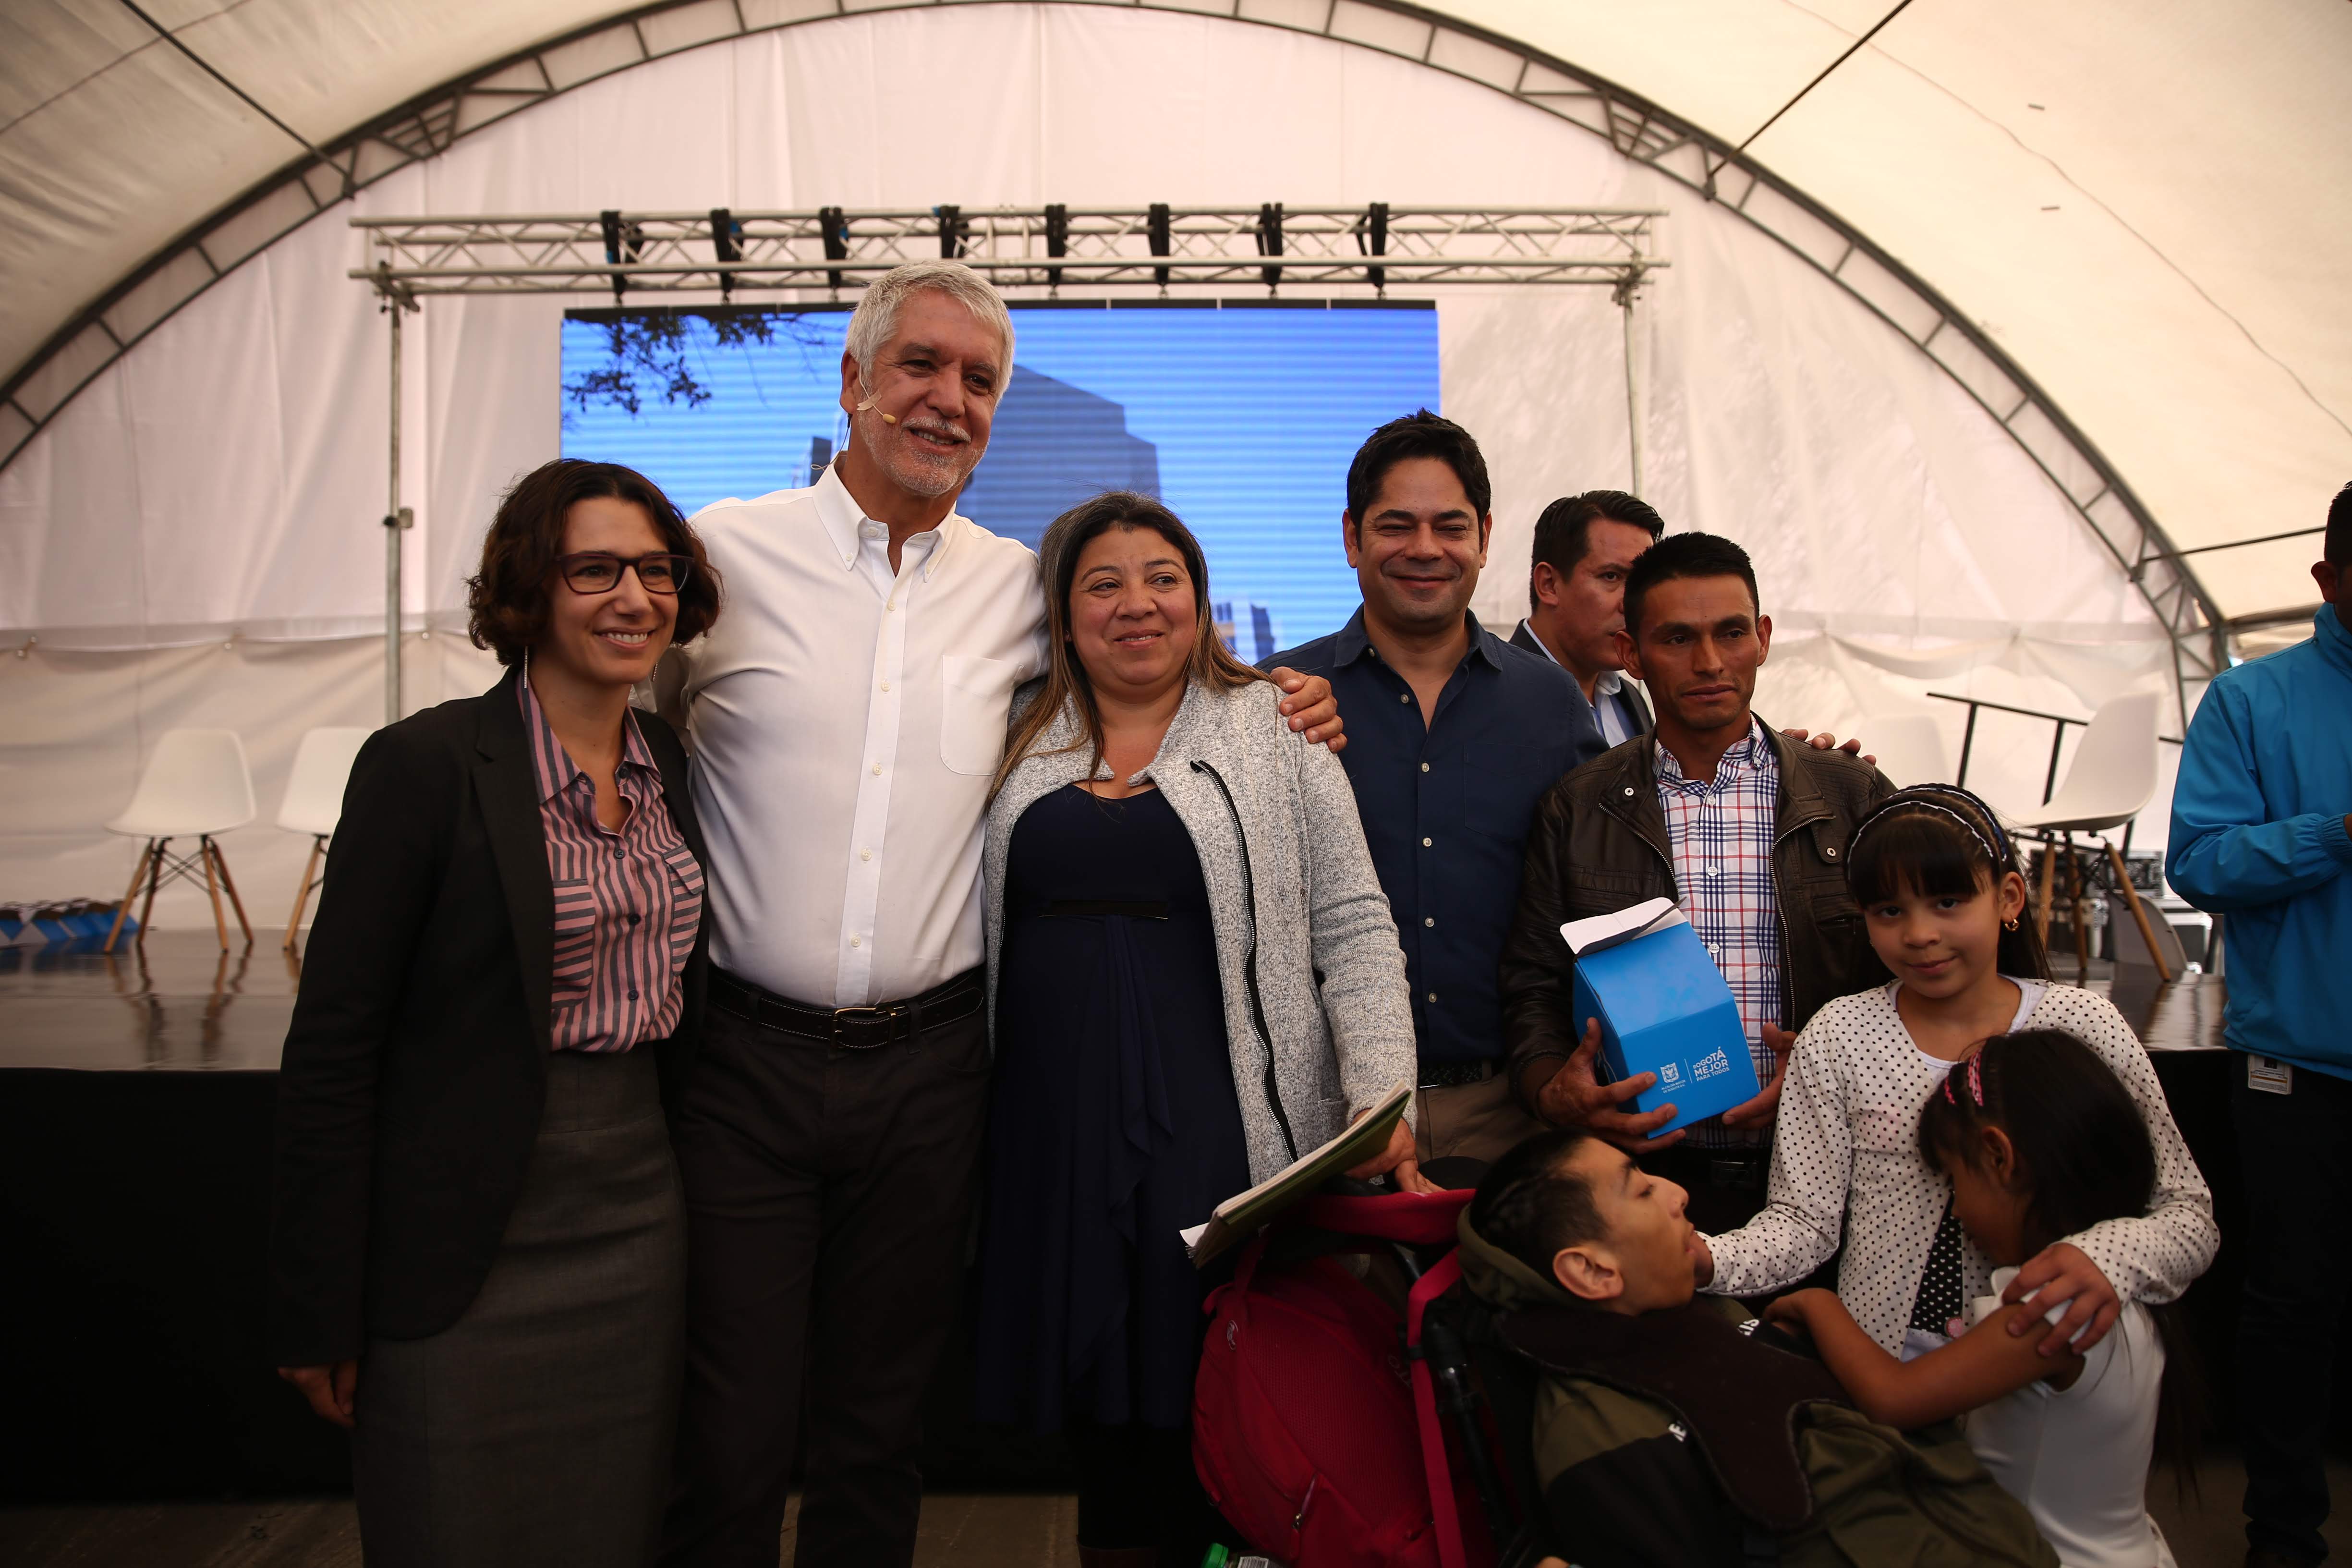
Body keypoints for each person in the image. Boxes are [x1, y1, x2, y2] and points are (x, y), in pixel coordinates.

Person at [654, 260, 1343, 1568]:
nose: (946, 399)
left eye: (978, 382)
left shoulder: (1028, 592)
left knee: (874, 1430)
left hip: (930, 1074)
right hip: (741, 1061)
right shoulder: (720, 556)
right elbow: (613, 720)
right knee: (729, 1428)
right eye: (918, 366)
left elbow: (1159, 674)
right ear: (853, 382)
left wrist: (1284, 699)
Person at [269, 459, 721, 1567]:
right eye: (595, 569)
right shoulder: (424, 766)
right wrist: (318, 1305)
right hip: (460, 1230)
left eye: (656, 570)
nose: (634, 597)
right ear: (529, 588)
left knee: (610, 1528)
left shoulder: (668, 759)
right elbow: (332, 1050)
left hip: (636, 1218)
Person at [974, 492, 1418, 1567]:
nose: (1138, 604)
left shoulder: (1278, 725)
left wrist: (1384, 1094)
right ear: (1064, 613)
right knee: (1099, 1425)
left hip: (1217, 1137)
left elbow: (1355, 924)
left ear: (1201, 598)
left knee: (1213, 1407)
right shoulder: (1014, 731)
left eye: (1162, 578)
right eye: (1104, 583)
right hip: (1052, 1140)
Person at [1698, 785, 2215, 1362]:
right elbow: (1802, 1222)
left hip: (2056, 1368)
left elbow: (2186, 1214)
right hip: (1881, 1373)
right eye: (1889, 911)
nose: (1918, 934)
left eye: (1947, 902)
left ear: (2009, 897)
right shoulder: (1840, 1034)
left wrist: (2105, 1257)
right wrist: (1706, 1259)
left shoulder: (2080, 1023)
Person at [1501, 532, 1893, 1231]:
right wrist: (1550, 1090)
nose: (1710, 662)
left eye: (1731, 633)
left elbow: (1917, 976)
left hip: (1825, 1173)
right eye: (1677, 638)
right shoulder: (1576, 806)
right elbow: (1532, 980)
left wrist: (1829, 1070)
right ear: (1631, 654)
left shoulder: (1849, 794)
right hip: (1643, 1185)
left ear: (1764, 638)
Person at [1460, 1128, 2059, 1568]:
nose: (1677, 1194)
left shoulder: (1709, 1316)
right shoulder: (1595, 1434)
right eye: (1641, 1192)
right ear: (1592, 1272)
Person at [1267, 412, 1603, 1168]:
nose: (1424, 549)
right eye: (1396, 526)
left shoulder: (1549, 706)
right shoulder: (1278, 698)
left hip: (1511, 1114)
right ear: (1352, 537)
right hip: (1331, 1118)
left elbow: (1600, 892)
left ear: (1484, 537)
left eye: (1449, 526)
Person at [1766, 1029, 2198, 1568]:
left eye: (1953, 1182)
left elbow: (1893, 1397)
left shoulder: (2052, 1309)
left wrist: (1815, 1304)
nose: (1954, 1213)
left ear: (1999, 1156)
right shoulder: (2125, 1279)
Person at [2166, 481, 2352, 1568]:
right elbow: (2197, 859)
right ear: (2327, 580)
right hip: (2298, 1068)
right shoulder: (2250, 702)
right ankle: (2282, 1536)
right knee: (2292, 1303)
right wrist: (2332, 832)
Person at [1513, 489, 1665, 745]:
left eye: (1643, 582)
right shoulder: (1491, 700)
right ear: (1549, 584)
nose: (1633, 605)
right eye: (1611, 577)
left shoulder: (1631, 699)